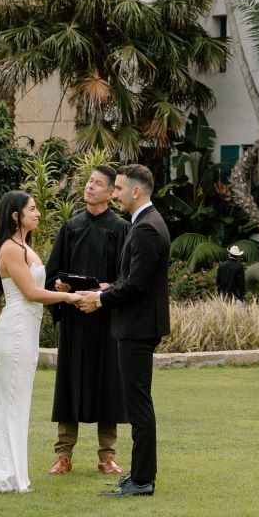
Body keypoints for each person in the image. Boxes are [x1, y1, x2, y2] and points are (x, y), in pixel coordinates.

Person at [74, 164, 169, 499]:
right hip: (136, 325)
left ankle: (143, 480)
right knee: (137, 402)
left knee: (138, 405)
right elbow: (131, 280)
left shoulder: (146, 228)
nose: (114, 194)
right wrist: (107, 286)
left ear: (136, 191)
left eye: (117, 188)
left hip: (137, 328)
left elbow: (138, 287)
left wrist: (100, 299)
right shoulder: (143, 222)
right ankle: (139, 474)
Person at [0, 191, 74, 494]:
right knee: (12, 402)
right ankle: (5, 474)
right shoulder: (10, 249)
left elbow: (37, 286)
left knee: (17, 402)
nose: (39, 213)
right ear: (16, 215)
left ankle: (11, 472)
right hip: (16, 331)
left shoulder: (24, 246)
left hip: (25, 330)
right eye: (32, 209)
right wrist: (69, 297)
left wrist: (60, 287)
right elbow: (30, 293)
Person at [47, 164, 130, 476]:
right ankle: (63, 455)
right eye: (89, 182)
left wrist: (106, 289)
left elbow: (127, 277)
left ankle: (107, 456)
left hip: (106, 320)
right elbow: (52, 273)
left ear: (111, 192)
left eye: (98, 183)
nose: (90, 187)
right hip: (74, 321)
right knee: (69, 385)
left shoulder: (121, 229)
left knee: (108, 385)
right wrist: (59, 285)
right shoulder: (71, 227)